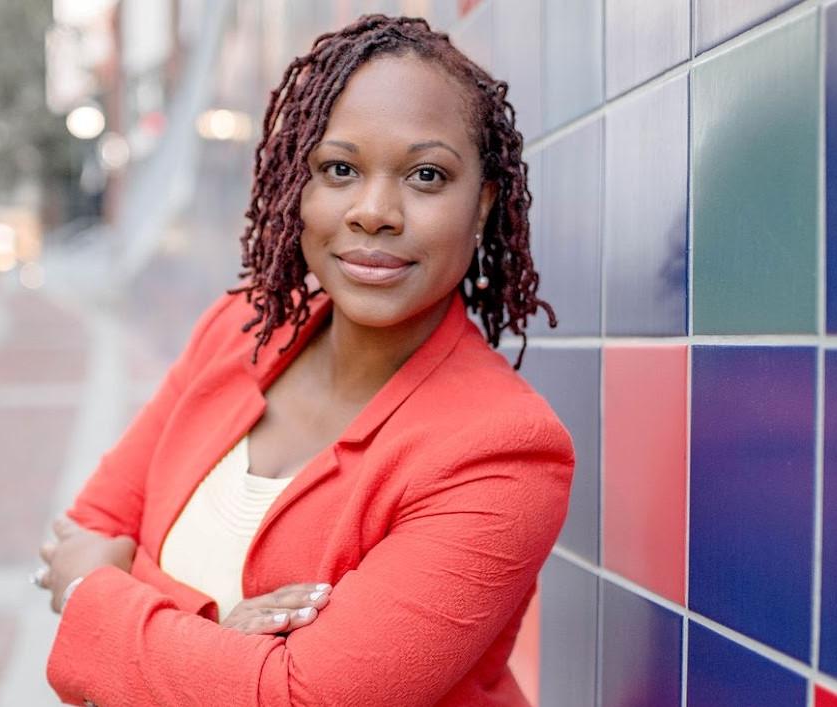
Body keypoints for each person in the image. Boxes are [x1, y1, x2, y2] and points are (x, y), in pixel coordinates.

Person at [35, 14, 575, 706]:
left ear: (482, 203)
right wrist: (227, 640)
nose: (374, 211)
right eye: (340, 168)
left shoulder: (505, 452)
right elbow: (86, 530)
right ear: (300, 186)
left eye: (427, 174)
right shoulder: (239, 329)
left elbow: (304, 699)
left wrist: (99, 594)